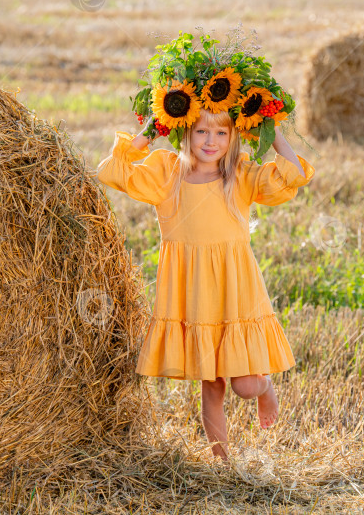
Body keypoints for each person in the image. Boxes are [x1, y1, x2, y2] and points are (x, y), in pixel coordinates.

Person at [96, 106, 315, 462]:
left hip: (235, 290)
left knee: (244, 386)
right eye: (201, 132)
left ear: (234, 138)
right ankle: (223, 464)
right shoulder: (167, 172)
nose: (210, 141)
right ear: (184, 133)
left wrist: (269, 128)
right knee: (211, 385)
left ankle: (264, 386)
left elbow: (293, 175)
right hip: (194, 294)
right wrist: (151, 131)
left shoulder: (240, 174)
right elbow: (111, 171)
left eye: (221, 133)